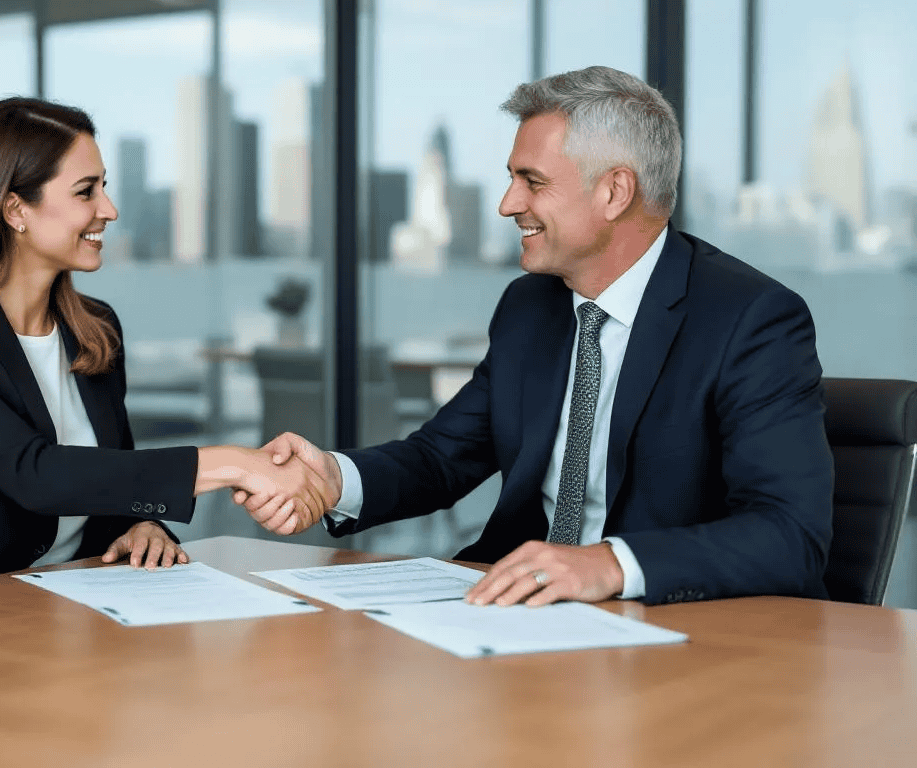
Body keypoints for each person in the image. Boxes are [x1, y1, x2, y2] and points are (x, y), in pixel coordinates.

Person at [245, 66, 833, 607]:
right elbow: (442, 457)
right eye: (510, 180)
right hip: (511, 614)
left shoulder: (750, 319)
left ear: (615, 192)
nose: (508, 205)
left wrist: (607, 565)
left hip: (672, 633)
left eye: (533, 181)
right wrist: (334, 479)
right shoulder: (530, 307)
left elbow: (789, 537)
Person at [0, 97, 324, 600]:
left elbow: (108, 481)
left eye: (105, 186)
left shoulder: (94, 329)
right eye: (85, 191)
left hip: (61, 606)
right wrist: (234, 463)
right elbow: (34, 473)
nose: (109, 210)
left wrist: (142, 526)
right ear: (15, 210)